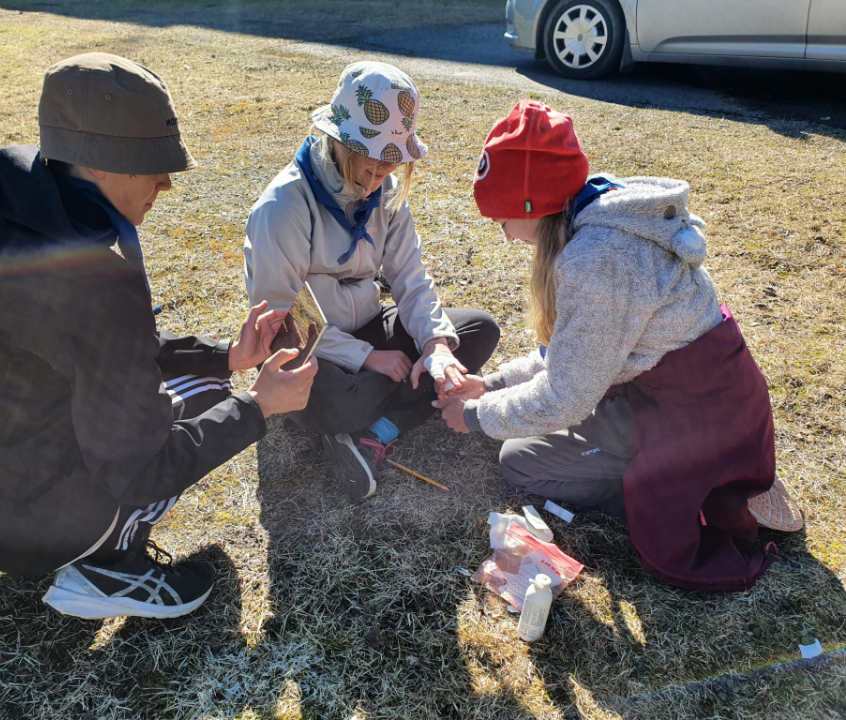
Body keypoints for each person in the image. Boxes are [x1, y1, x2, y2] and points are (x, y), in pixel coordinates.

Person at [0, 53, 317, 619]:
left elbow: (101, 354)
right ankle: (103, 568)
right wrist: (258, 407)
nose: (165, 180)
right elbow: (141, 470)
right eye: (151, 163)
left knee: (207, 380)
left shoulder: (10, 218)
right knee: (209, 403)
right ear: (102, 163)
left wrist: (227, 356)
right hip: (31, 523)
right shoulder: (92, 280)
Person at [435, 101, 802, 591]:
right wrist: (492, 385)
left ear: (530, 204)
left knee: (522, 463)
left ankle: (699, 494)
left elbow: (565, 395)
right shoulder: (594, 219)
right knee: (520, 452)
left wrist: (477, 415)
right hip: (682, 399)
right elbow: (572, 354)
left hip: (695, 420)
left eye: (500, 216)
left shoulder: (599, 259)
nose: (502, 234)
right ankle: (703, 477)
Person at [244, 61, 500, 500]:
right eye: (375, 157)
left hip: (368, 325)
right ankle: (374, 407)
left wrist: (435, 346)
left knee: (477, 331)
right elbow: (282, 326)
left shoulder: (386, 195)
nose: (384, 171)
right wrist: (368, 357)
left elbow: (411, 279)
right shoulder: (283, 206)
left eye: (394, 159)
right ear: (341, 142)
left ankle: (376, 430)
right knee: (340, 397)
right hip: (313, 348)